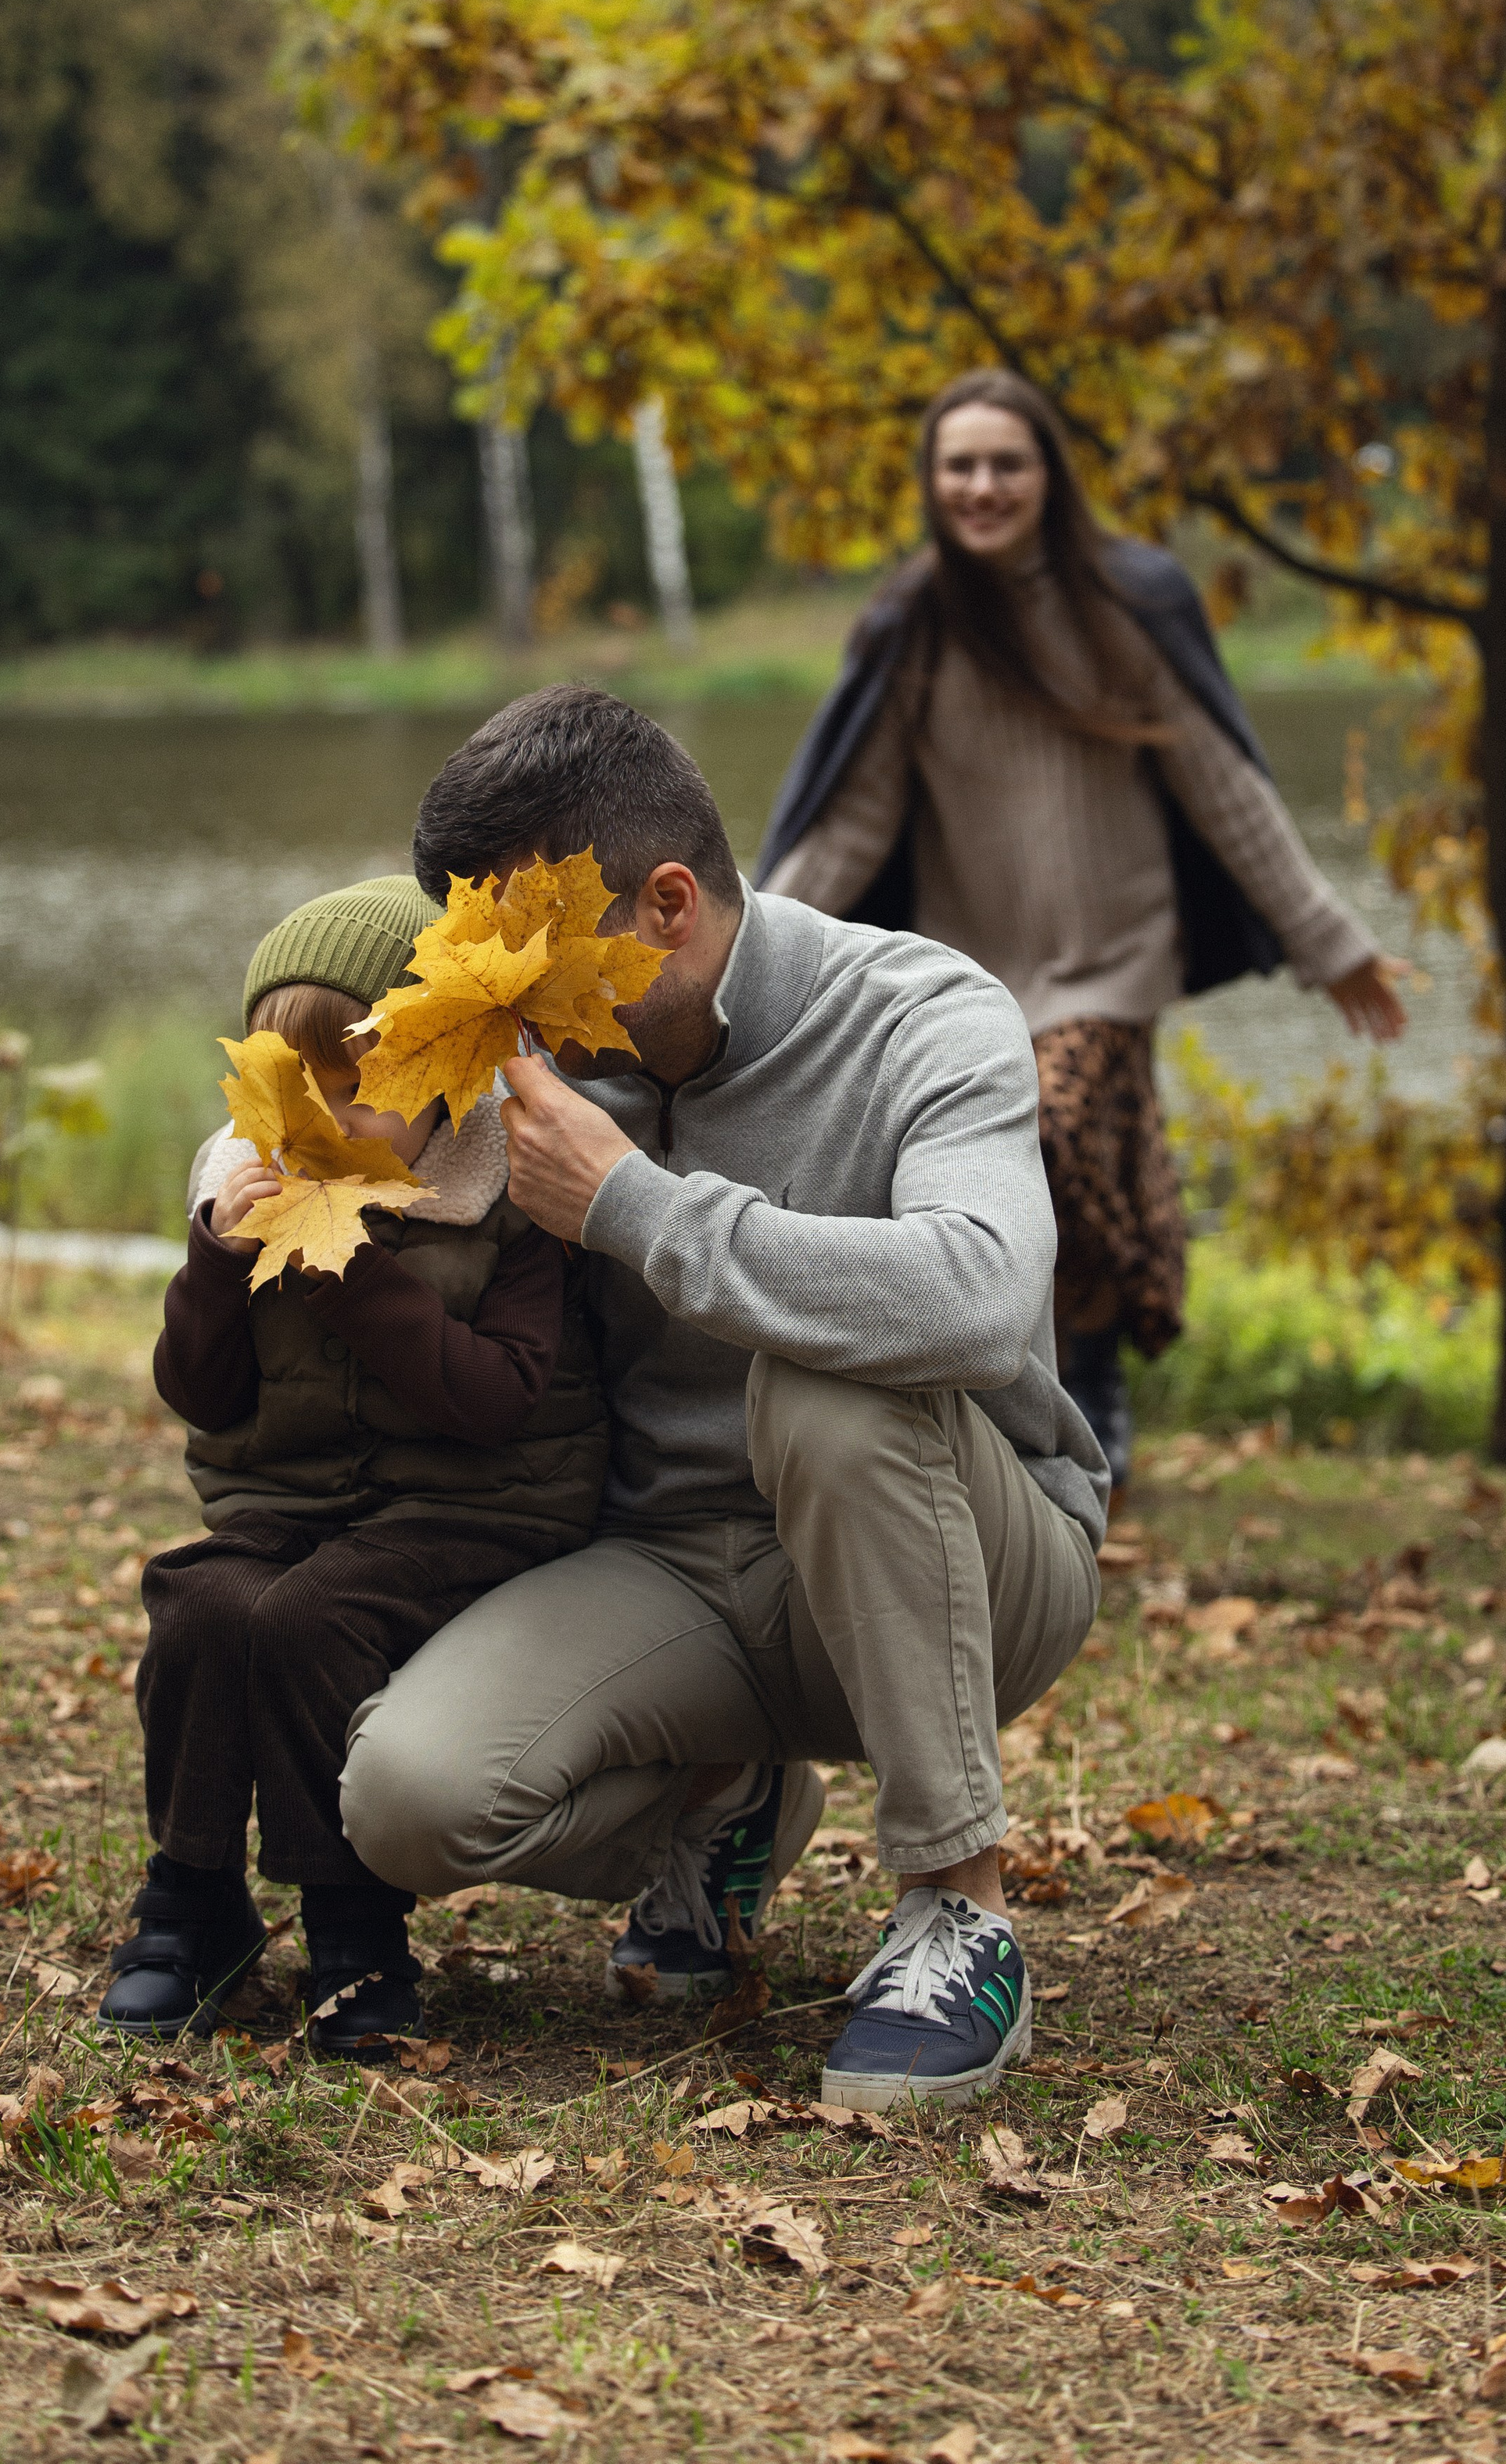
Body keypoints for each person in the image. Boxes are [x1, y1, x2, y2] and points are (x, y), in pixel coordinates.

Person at [339, 690, 1108, 2111]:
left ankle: (959, 1910)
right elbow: (321, 1118)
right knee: (406, 1798)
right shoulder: (547, 1062)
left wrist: (637, 1206)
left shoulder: (925, 1013)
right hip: (680, 1569)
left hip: (973, 1555)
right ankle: (728, 1798)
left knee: (830, 1389)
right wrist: (242, 1176)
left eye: (534, 961)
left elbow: (984, 1297)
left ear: (668, 906)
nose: (514, 1010)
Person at [758, 368, 1405, 1497]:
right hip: (973, 975)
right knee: (1013, 1177)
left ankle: (1090, 1381)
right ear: (932, 483)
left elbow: (1224, 787)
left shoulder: (1128, 601)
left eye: (1007, 463)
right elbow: (853, 820)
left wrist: (1330, 941)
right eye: (960, 465)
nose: (983, 486)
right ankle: (1040, 1390)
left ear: (1050, 474)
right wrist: (747, 950)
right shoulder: (915, 626)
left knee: (1053, 1140)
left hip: (1114, 960)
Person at [100, 874, 606, 2050]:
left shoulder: (509, 1192)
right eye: (300, 1089)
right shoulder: (247, 1184)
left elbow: (495, 1399)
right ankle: (192, 1895)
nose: (328, 1120)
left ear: (450, 1072)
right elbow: (201, 1393)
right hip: (288, 1499)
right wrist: (219, 1260)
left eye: (365, 1090)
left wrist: (348, 1268)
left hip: (476, 1503)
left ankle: (354, 1922)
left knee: (311, 1616)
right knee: (202, 1605)